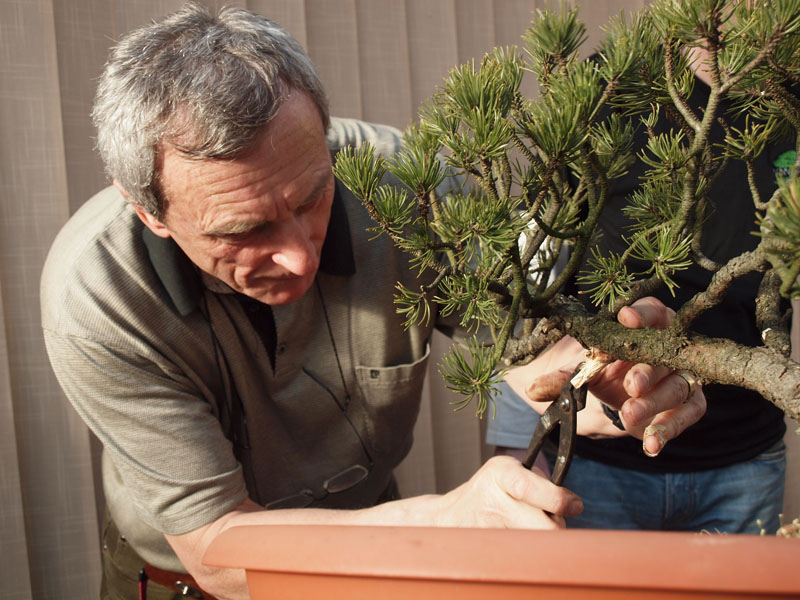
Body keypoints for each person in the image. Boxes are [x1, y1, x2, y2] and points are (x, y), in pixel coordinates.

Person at [40, 4, 704, 599]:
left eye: (313, 199)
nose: (299, 257)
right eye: (244, 231)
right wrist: (446, 524)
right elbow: (217, 548)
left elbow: (529, 356)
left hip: (374, 530)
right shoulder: (99, 294)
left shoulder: (407, 188)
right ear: (150, 211)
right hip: (193, 584)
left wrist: (607, 372)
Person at [489, 45, 791, 535]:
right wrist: (515, 438)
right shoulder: (609, 82)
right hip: (598, 453)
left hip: (746, 453)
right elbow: (530, 269)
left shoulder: (786, 91)